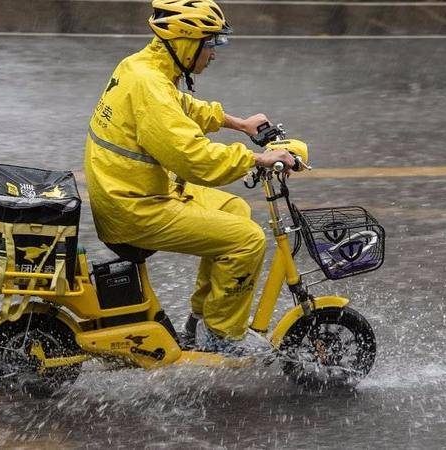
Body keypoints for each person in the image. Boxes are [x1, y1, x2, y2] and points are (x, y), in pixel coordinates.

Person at [83, 0, 301, 356]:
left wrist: (239, 123)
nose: (214, 54)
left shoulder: (142, 67)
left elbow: (180, 107)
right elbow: (194, 160)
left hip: (134, 192)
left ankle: (200, 319)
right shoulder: (149, 86)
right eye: (211, 43)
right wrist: (257, 159)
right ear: (186, 43)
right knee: (247, 240)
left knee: (234, 209)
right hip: (133, 210)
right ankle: (222, 335)